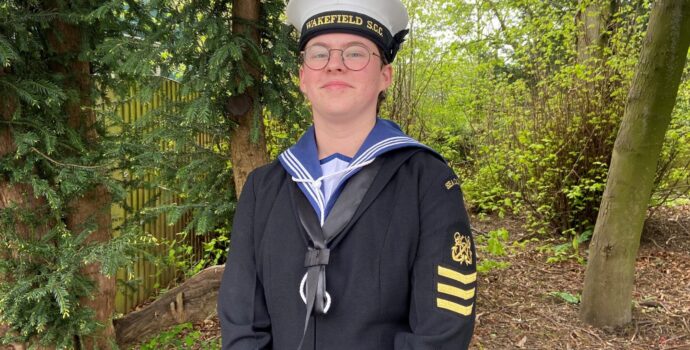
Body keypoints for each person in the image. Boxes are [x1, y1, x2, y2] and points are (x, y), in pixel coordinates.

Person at [217, 0, 476, 348]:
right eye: (319, 53)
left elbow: (441, 331)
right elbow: (241, 320)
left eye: (355, 54)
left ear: (385, 76)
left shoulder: (428, 182)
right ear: (303, 78)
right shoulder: (263, 189)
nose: (334, 65)